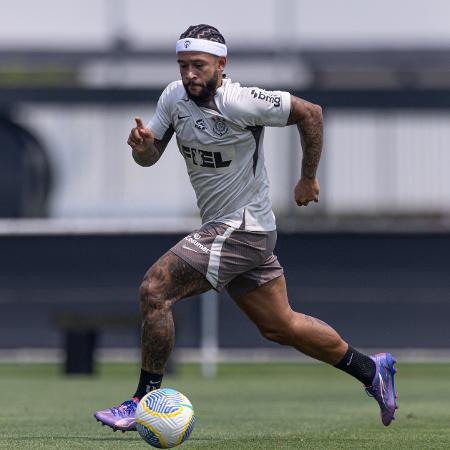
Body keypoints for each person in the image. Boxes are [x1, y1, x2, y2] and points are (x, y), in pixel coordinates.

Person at [94, 24, 397, 432]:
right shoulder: (173, 97)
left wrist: (307, 178)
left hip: (243, 227)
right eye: (183, 65)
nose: (189, 75)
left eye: (198, 65)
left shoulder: (241, 100)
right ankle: (371, 370)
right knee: (280, 325)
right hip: (232, 229)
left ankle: (142, 401)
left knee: (155, 288)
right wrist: (143, 147)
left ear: (222, 64)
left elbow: (311, 113)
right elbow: (150, 158)